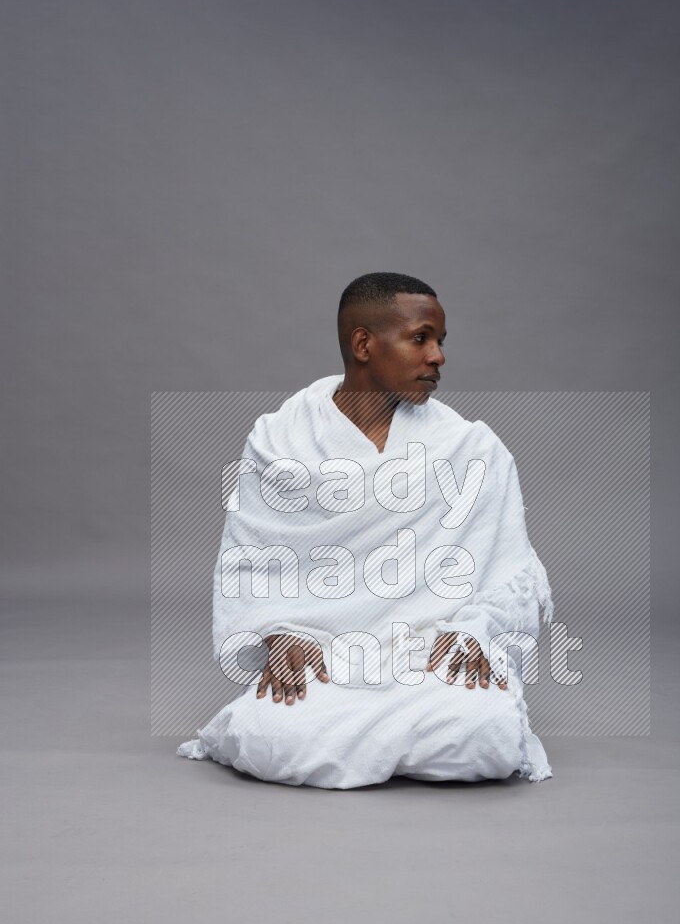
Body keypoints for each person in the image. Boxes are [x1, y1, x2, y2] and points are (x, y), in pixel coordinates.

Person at [177, 272, 553, 789]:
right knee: (269, 735)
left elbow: (506, 570)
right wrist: (279, 631)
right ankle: (395, 738)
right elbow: (251, 560)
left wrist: (474, 630)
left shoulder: (470, 449)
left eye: (441, 342)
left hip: (430, 653)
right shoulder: (278, 442)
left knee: (485, 732)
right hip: (323, 654)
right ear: (363, 345)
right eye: (421, 338)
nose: (438, 356)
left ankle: (375, 737)